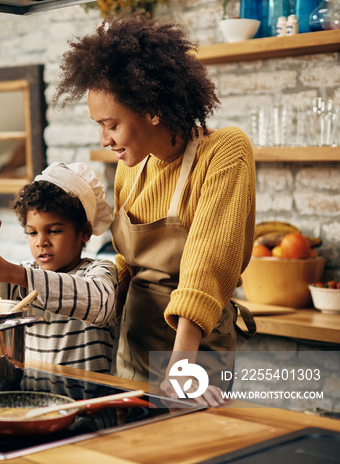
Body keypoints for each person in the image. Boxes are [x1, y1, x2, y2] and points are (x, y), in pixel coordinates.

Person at [53, 13, 257, 405]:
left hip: (194, 349)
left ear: (151, 109)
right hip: (135, 341)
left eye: (111, 124)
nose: (105, 139)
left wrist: (181, 366)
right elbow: (127, 262)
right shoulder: (131, 167)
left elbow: (206, 264)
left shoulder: (224, 151)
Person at [0, 162, 118, 374]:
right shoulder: (21, 277)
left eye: (53, 231)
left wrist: (17, 274)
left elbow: (101, 303)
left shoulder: (99, 271)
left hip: (87, 399)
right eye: (32, 233)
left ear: (84, 232)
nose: (41, 242)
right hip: (31, 396)